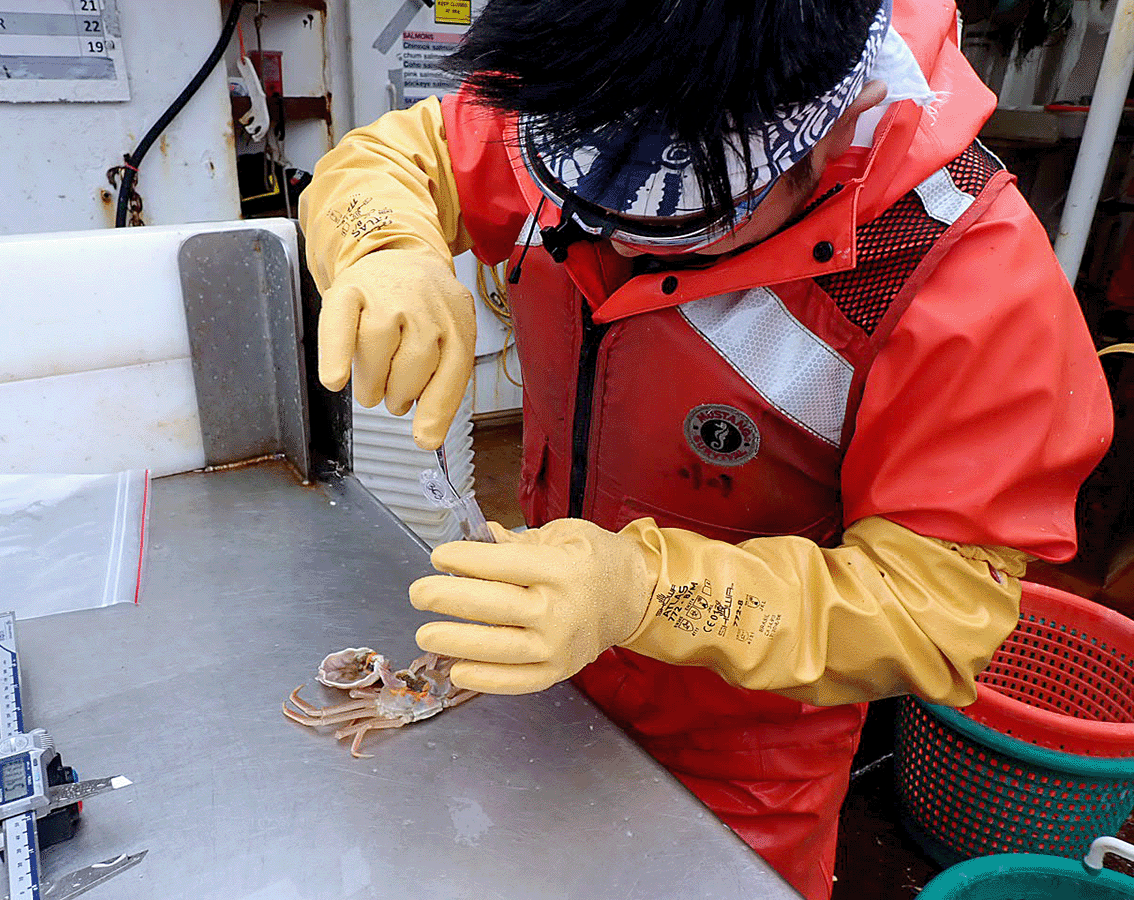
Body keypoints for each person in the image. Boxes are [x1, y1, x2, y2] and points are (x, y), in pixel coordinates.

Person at [298, 1, 1113, 897]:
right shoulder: (603, 82)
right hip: (545, 692)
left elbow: (936, 611)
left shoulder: (965, 275)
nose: (606, 240)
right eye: (578, 199)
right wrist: (384, 244)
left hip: (749, 764)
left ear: (841, 118)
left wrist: (645, 592)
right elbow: (399, 155)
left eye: (668, 221)